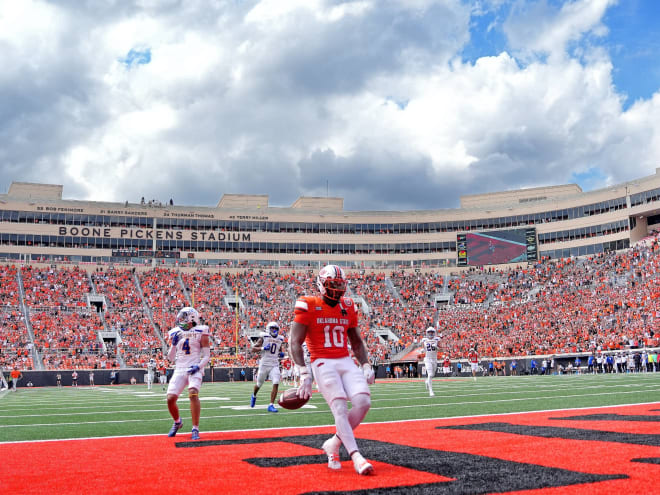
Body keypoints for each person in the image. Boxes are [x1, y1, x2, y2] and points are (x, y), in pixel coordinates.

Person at [290, 265, 375, 476]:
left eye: (339, 285)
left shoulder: (348, 304)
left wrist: (365, 364)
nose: (337, 289)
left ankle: (334, 443)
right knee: (339, 407)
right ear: (321, 285)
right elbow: (294, 341)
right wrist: (303, 373)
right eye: (332, 285)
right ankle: (356, 456)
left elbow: (356, 340)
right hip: (322, 361)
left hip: (345, 360)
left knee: (364, 402)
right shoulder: (308, 303)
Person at [166, 306, 210, 441]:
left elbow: (207, 356)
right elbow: (170, 358)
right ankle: (178, 422)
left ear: (192, 318)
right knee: (170, 399)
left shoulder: (201, 330)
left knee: (193, 393)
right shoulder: (175, 332)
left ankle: (195, 428)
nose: (181, 319)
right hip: (179, 368)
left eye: (184, 316)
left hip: (194, 366)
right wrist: (173, 345)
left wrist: (198, 366)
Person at [250, 321, 286, 412]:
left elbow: (279, 350)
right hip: (264, 364)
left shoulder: (280, 339)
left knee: (276, 382)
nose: (274, 330)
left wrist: (281, 354)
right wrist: (263, 348)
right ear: (268, 329)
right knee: (259, 384)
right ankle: (254, 395)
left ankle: (271, 405)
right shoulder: (264, 337)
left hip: (274, 364)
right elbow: (253, 349)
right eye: (272, 328)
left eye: (276, 329)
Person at [421, 327, 439, 397]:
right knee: (430, 374)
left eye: (432, 332)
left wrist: (437, 347)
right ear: (427, 333)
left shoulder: (437, 339)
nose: (431, 333)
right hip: (427, 359)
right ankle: (431, 391)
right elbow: (423, 348)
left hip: (434, 359)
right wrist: (422, 350)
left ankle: (427, 382)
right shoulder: (424, 340)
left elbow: (441, 349)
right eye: (429, 332)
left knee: (432, 375)